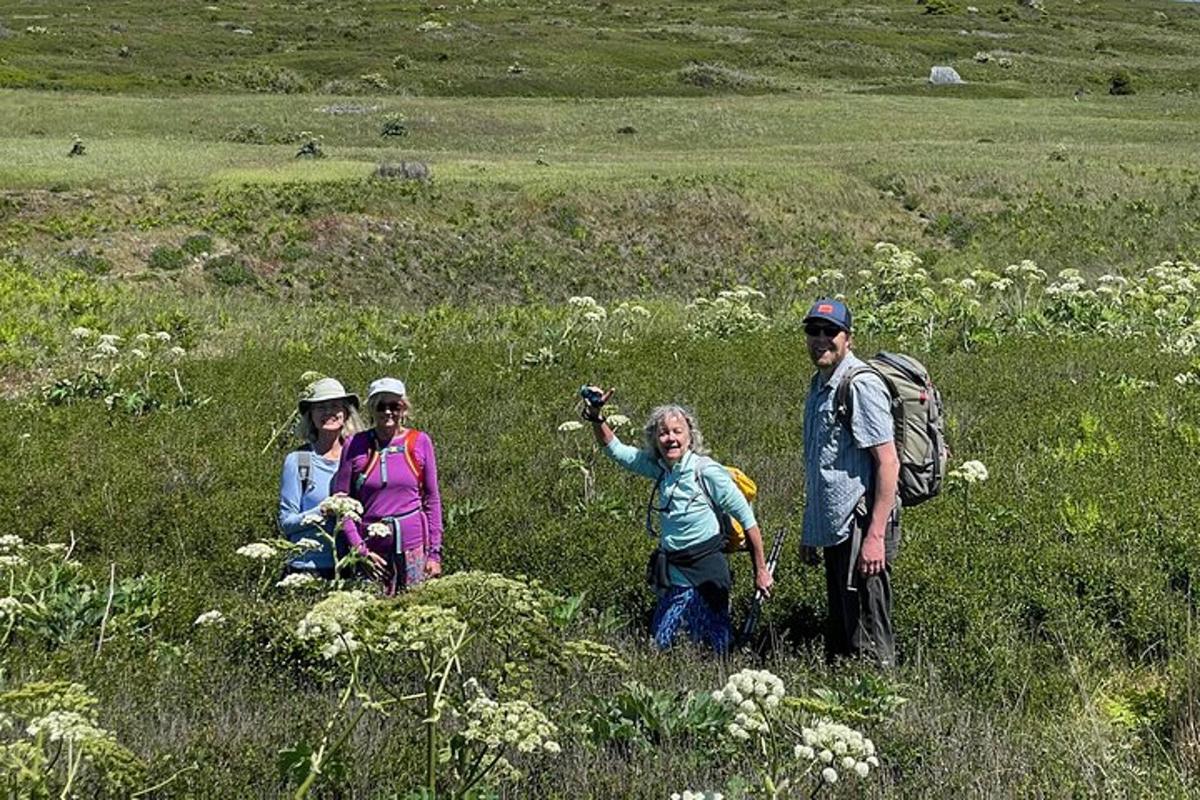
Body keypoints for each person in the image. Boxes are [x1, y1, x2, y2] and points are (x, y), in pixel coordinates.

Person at [582, 389, 773, 654]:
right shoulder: (661, 468)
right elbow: (617, 451)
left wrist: (761, 571)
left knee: (714, 646)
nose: (670, 438)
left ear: (690, 437)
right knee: (662, 644)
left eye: (677, 431)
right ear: (655, 440)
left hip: (708, 570)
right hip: (675, 570)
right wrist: (595, 416)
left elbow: (747, 520)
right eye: (663, 433)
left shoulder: (707, 472)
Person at [799, 299, 901, 666]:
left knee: (869, 634)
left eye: (831, 332)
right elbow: (820, 465)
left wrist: (874, 538)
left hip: (860, 526)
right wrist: (811, 529)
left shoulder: (860, 385)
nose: (821, 339)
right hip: (835, 528)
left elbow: (888, 462)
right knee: (844, 633)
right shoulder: (819, 385)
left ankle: (882, 708)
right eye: (814, 331)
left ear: (848, 338)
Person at [333, 378, 443, 593]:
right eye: (380, 406)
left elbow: (432, 499)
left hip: (414, 549)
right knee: (371, 615)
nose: (388, 412)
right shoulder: (354, 445)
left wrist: (434, 555)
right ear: (371, 409)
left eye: (395, 406)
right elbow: (342, 503)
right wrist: (360, 551)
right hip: (372, 552)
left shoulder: (420, 442)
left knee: (415, 613)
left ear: (404, 408)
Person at [278, 377, 364, 579]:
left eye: (335, 406)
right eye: (320, 407)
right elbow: (286, 522)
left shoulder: (360, 459)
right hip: (306, 568)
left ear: (346, 414)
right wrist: (322, 511)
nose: (328, 412)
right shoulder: (299, 461)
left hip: (350, 567)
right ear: (311, 417)